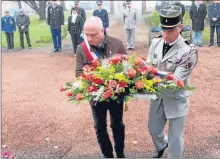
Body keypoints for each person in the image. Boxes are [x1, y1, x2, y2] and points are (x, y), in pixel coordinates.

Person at [147, 5, 198, 158]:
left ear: (180, 27)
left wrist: (149, 82)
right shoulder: (156, 43)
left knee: (175, 139)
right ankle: (162, 144)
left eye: (170, 30)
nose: (165, 34)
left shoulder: (189, 51)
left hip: (176, 98)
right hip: (157, 97)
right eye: (163, 29)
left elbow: (175, 80)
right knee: (154, 130)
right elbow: (148, 67)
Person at [75, 16, 127, 158]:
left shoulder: (117, 44)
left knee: (117, 125)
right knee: (99, 127)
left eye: (93, 34)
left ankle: (120, 152)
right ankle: (107, 154)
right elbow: (79, 73)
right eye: (87, 35)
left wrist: (116, 81)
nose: (90, 38)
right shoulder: (81, 48)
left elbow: (127, 67)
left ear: (102, 30)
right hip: (95, 96)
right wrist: (92, 81)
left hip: (116, 94)